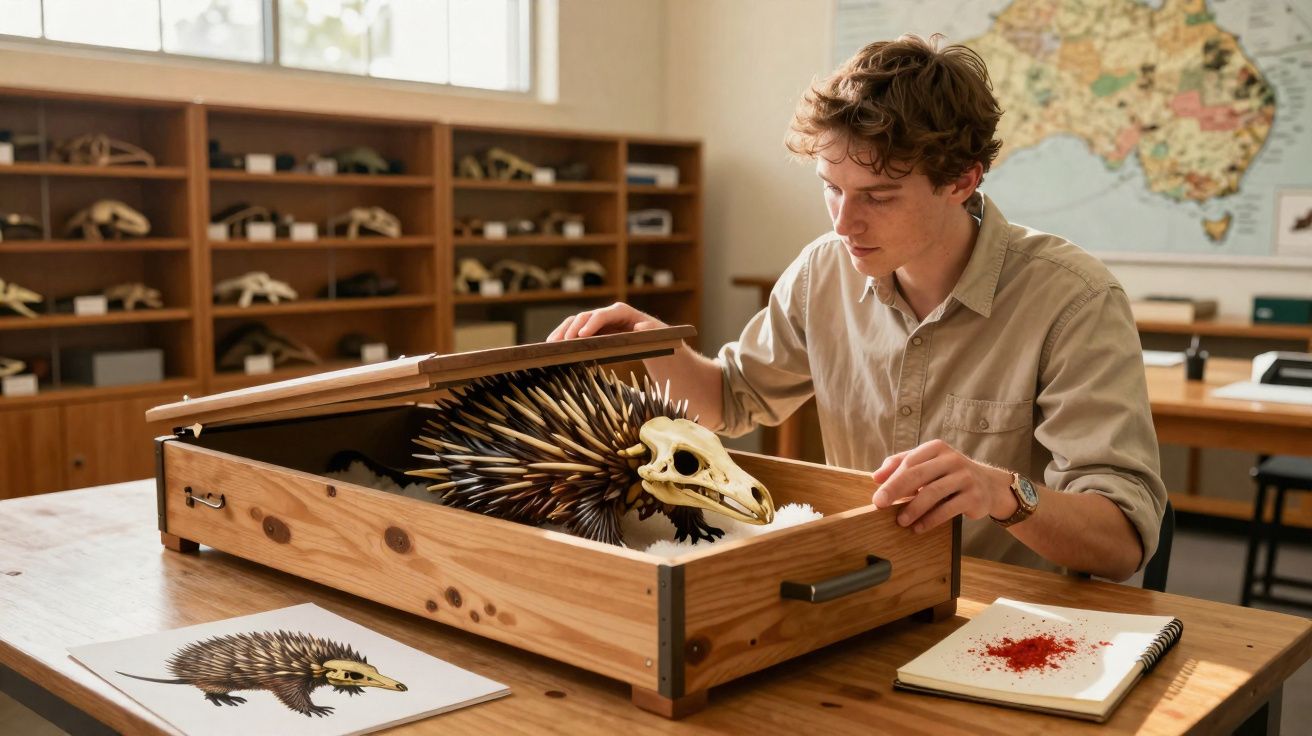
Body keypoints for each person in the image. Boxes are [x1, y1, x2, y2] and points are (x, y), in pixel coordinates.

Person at [548, 34, 1166, 581]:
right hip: (869, 590)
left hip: (1015, 617)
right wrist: (656, 343)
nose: (845, 222)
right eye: (830, 188)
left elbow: (1120, 541)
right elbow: (729, 400)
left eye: (879, 196)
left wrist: (1002, 492)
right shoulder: (823, 270)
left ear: (962, 181)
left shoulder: (1074, 299)